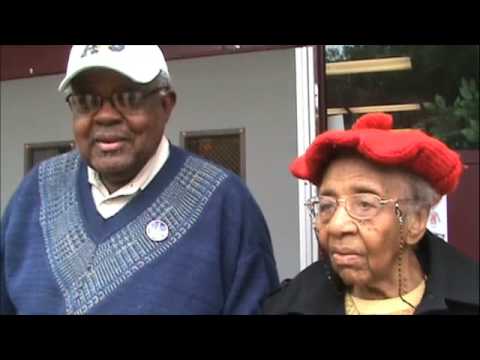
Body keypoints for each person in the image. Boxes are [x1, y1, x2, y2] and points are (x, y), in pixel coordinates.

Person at [1, 45, 279, 315]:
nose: (106, 116)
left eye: (129, 98)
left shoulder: (226, 205)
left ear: (166, 105)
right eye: (87, 102)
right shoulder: (36, 193)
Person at [263, 112, 479, 315]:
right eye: (326, 206)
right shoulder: (288, 306)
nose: (337, 226)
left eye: (365, 204)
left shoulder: (469, 297)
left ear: (416, 221)